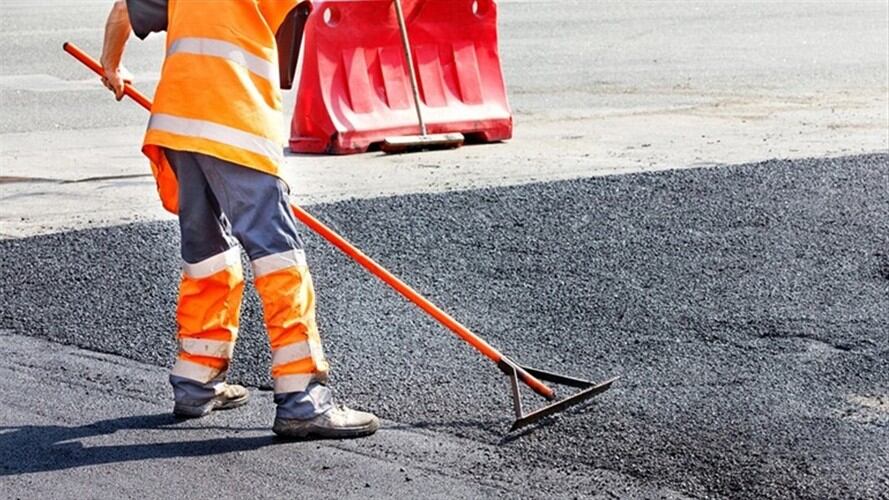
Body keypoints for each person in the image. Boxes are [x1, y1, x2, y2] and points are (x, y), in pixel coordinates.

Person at [99, 0, 379, 439]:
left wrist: (111, 67)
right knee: (277, 253)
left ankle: (196, 383)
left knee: (207, 253)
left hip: (178, 126)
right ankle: (303, 400)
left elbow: (122, 11)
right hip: (235, 120)